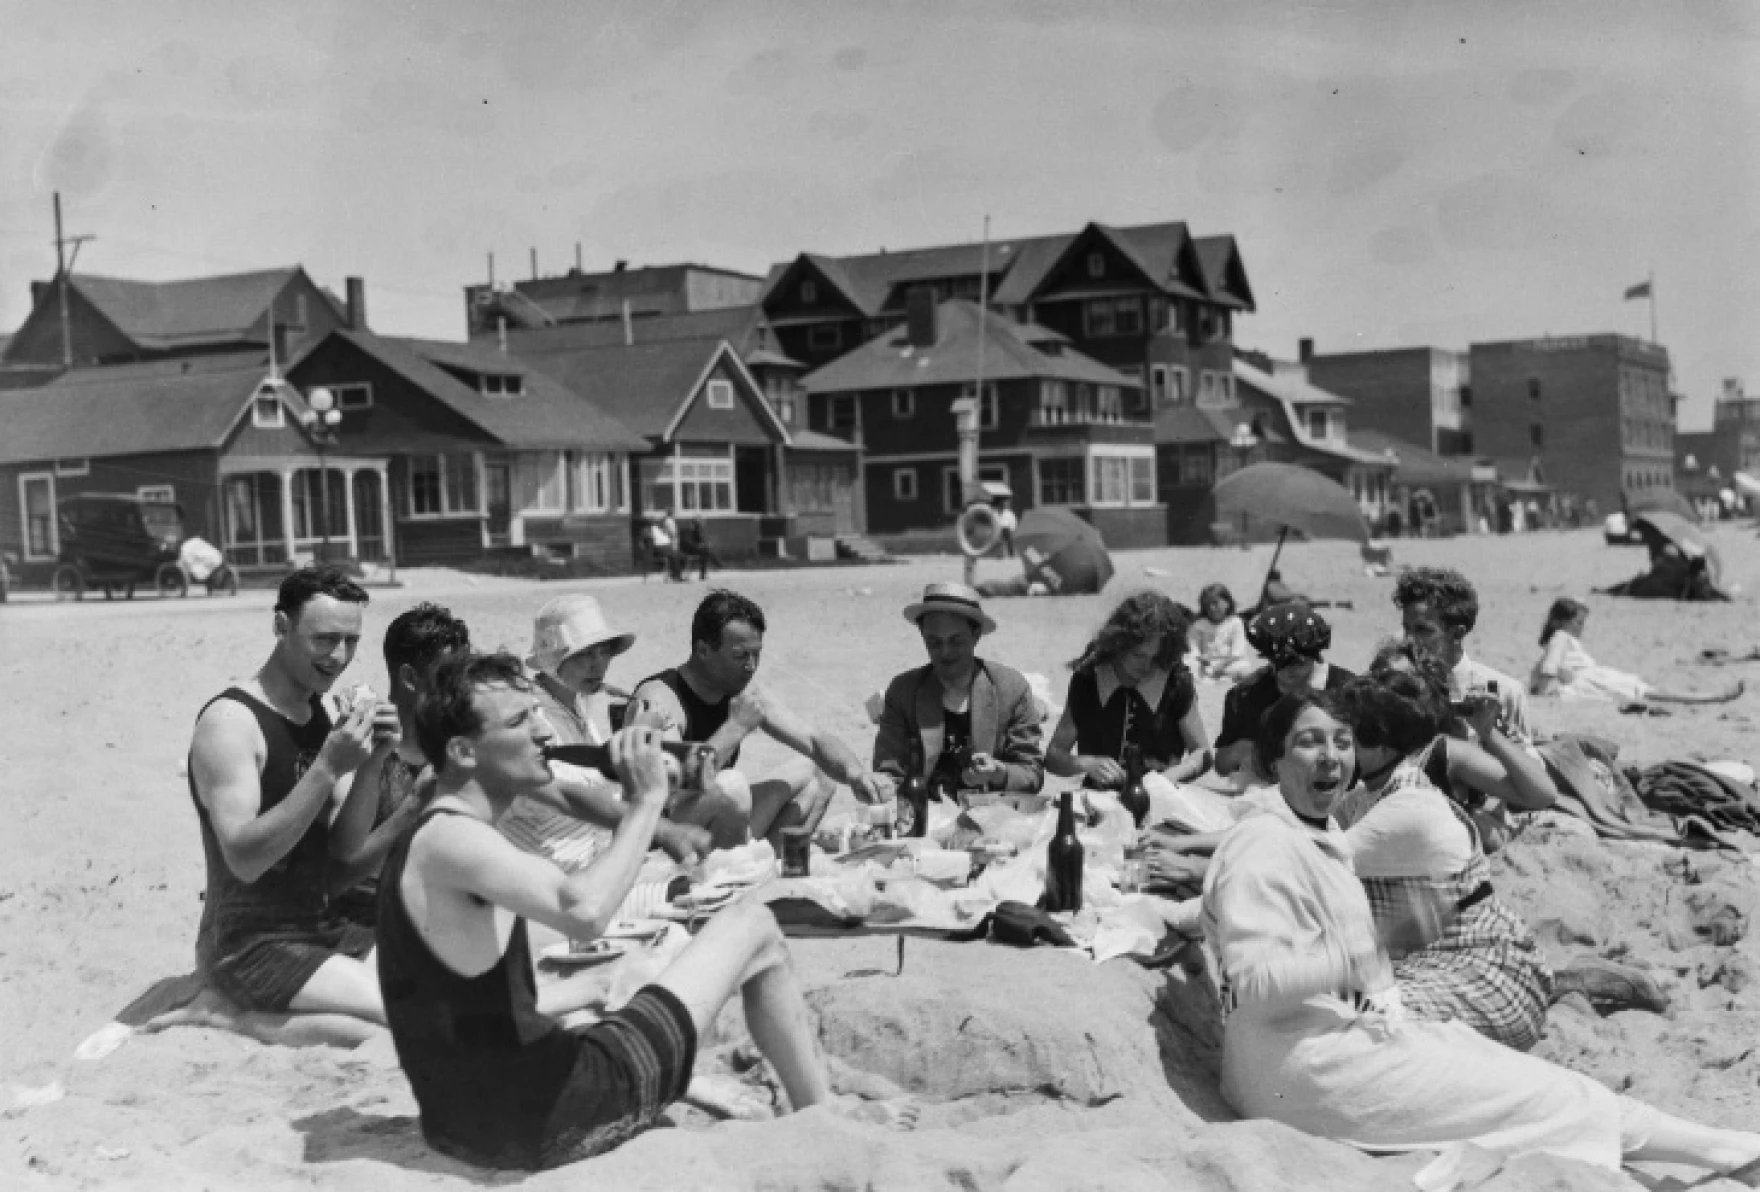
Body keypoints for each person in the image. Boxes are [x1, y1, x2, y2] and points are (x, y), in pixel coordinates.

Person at [377, 653, 914, 1171]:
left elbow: (464, 1002)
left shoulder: (433, 830)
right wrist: (649, 800)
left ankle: (691, 1075)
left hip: (464, 1127)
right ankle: (823, 1115)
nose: (544, 731)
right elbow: (585, 911)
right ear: (464, 752)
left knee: (616, 983)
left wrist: (590, 990)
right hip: (547, 1120)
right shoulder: (457, 840)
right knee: (755, 927)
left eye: (538, 713)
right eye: (520, 720)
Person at [1200, 689, 1760, 1175]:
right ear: (1273, 761)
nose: (1331, 757)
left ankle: (1723, 1148)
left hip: (1297, 1056)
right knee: (1556, 1097)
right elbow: (1253, 981)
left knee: (1489, 1061)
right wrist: (1374, 948)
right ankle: (1730, 1151)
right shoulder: (1266, 841)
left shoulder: (1310, 831)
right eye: (1310, 742)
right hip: (1309, 1073)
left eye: (1342, 741)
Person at [186, 564, 398, 1031]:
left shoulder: (323, 712)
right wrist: (326, 768)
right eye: (323, 639)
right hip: (249, 946)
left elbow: (343, 853)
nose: (339, 657)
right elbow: (243, 859)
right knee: (394, 1017)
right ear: (281, 626)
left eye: (351, 641)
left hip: (322, 927)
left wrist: (373, 764)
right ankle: (230, 1017)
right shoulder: (230, 723)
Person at [1330, 659, 1553, 1051]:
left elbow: (1540, 795)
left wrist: (1490, 734)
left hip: (1460, 928)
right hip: (1424, 931)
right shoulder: (1364, 792)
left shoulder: (1438, 757)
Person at [629, 589, 888, 849]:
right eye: (741, 656)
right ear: (703, 650)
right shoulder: (660, 698)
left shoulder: (742, 691)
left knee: (817, 774)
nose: (752, 666)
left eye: (757, 654)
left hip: (718, 827)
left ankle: (772, 869)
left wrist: (856, 773)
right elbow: (667, 795)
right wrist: (735, 728)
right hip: (666, 840)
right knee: (731, 787)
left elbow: (813, 740)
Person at [506, 594, 719, 867]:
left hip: (602, 861)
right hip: (560, 880)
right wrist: (640, 735)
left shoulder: (578, 705)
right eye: (584, 654)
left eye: (604, 651)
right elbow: (570, 795)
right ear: (551, 660)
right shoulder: (533, 718)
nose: (599, 664)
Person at [329, 602, 472, 929]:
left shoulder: (458, 746)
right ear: (409, 677)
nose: (461, 688)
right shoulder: (360, 749)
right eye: (449, 676)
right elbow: (341, 875)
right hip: (370, 926)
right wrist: (413, 806)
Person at [873, 582, 1044, 795]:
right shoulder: (903, 691)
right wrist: (878, 785)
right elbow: (889, 772)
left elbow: (1032, 773)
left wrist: (998, 772)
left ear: (976, 635)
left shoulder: (1010, 689)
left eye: (956, 641)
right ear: (922, 635)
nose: (945, 652)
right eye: (934, 642)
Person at [1047, 590, 1209, 790]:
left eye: (1155, 658)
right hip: (1099, 797)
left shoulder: (1175, 681)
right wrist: (1086, 764)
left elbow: (1202, 752)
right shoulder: (1089, 679)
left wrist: (1168, 778)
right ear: (1118, 645)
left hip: (1161, 797)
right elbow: (1054, 755)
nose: (1146, 666)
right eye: (1138, 655)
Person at [1213, 602, 1354, 780]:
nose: (1289, 672)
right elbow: (1221, 765)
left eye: (1298, 663)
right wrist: (1241, 751)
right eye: (1280, 663)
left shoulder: (1347, 692)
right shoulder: (1245, 696)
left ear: (1315, 655)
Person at [1395, 567, 1531, 742]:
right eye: (1407, 629)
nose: (1409, 640)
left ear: (1457, 634)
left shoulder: (1505, 693)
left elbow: (1526, 765)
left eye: (1423, 630)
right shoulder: (1395, 689)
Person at [1532, 599, 1742, 704]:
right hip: (1588, 681)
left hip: (1589, 680)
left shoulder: (1560, 639)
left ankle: (1709, 696)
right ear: (1560, 621)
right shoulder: (1560, 637)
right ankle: (1710, 697)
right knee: (1647, 691)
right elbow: (1548, 669)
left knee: (1646, 690)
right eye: (1577, 623)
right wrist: (1552, 684)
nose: (1581, 628)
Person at [1186, 583, 1257, 682]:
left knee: (1245, 669)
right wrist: (1201, 659)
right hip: (1205, 663)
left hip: (1229, 663)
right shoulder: (1198, 625)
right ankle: (1210, 678)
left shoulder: (1235, 622)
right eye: (1207, 604)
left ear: (1227, 603)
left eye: (1215, 603)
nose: (1211, 608)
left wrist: (1222, 665)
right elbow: (1193, 649)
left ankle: (1219, 677)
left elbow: (1238, 651)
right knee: (1188, 665)